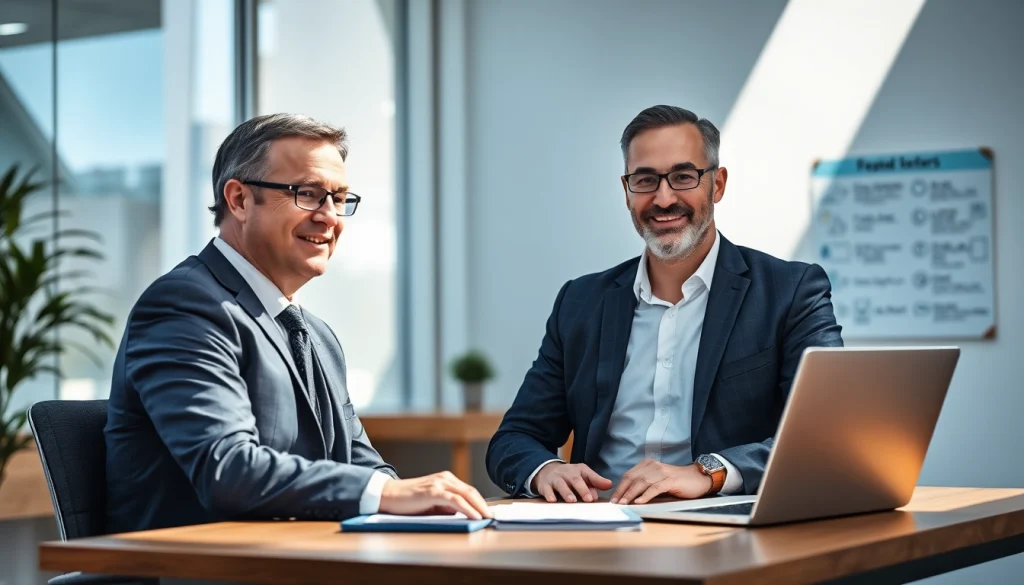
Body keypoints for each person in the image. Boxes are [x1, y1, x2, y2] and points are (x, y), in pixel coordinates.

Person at [105, 113, 491, 534]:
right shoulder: (185, 305)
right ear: (238, 200)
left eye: (339, 198)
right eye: (308, 194)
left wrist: (429, 509)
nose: (330, 217)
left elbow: (361, 464)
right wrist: (386, 495)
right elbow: (228, 469)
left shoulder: (317, 336)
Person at [486, 105, 843, 506]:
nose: (664, 198)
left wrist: (709, 471)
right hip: (599, 528)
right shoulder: (580, 302)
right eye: (645, 180)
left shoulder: (790, 291)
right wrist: (545, 470)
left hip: (725, 528)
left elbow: (827, 432)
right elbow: (514, 439)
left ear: (718, 184)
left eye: (683, 176)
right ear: (626, 192)